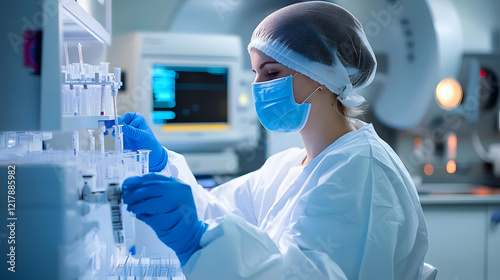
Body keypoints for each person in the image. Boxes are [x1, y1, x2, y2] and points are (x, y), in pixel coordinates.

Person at [119, 2, 428, 279]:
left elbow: (312, 275)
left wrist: (195, 240)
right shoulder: (288, 167)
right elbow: (216, 212)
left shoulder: (361, 171)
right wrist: (161, 164)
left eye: (271, 72)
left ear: (323, 75)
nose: (257, 86)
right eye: (255, 72)